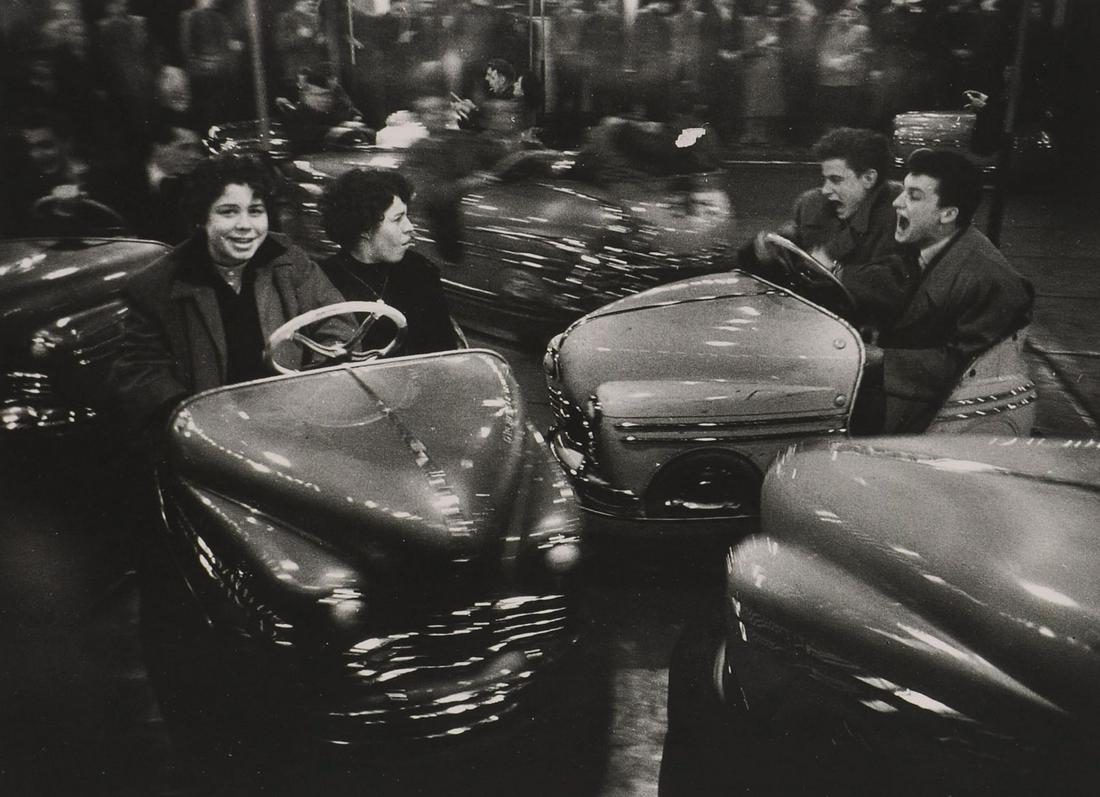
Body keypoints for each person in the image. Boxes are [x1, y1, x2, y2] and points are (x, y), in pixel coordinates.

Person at [108, 153, 351, 434]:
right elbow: (142, 372)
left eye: (255, 211)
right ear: (202, 218)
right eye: (228, 211)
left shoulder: (290, 262)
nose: (246, 225)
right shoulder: (157, 286)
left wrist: (313, 390)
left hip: (294, 424)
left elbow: (338, 323)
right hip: (213, 434)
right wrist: (193, 420)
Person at [864, 147, 1034, 433]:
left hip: (933, 420)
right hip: (901, 396)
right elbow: (887, 283)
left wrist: (880, 359)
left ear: (948, 214)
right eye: (903, 191)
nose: (897, 202)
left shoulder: (991, 279)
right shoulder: (925, 244)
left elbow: (962, 368)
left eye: (914, 196)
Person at [743, 127, 913, 328]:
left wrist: (835, 270)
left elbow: (896, 284)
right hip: (807, 321)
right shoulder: (812, 204)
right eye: (825, 179)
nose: (825, 189)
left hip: (862, 333)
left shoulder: (899, 210)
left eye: (836, 180)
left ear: (868, 178)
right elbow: (791, 243)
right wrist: (766, 252)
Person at [320, 168, 461, 355]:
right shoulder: (321, 280)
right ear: (365, 227)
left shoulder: (420, 271)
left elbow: (445, 349)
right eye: (398, 219)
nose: (410, 227)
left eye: (407, 216)